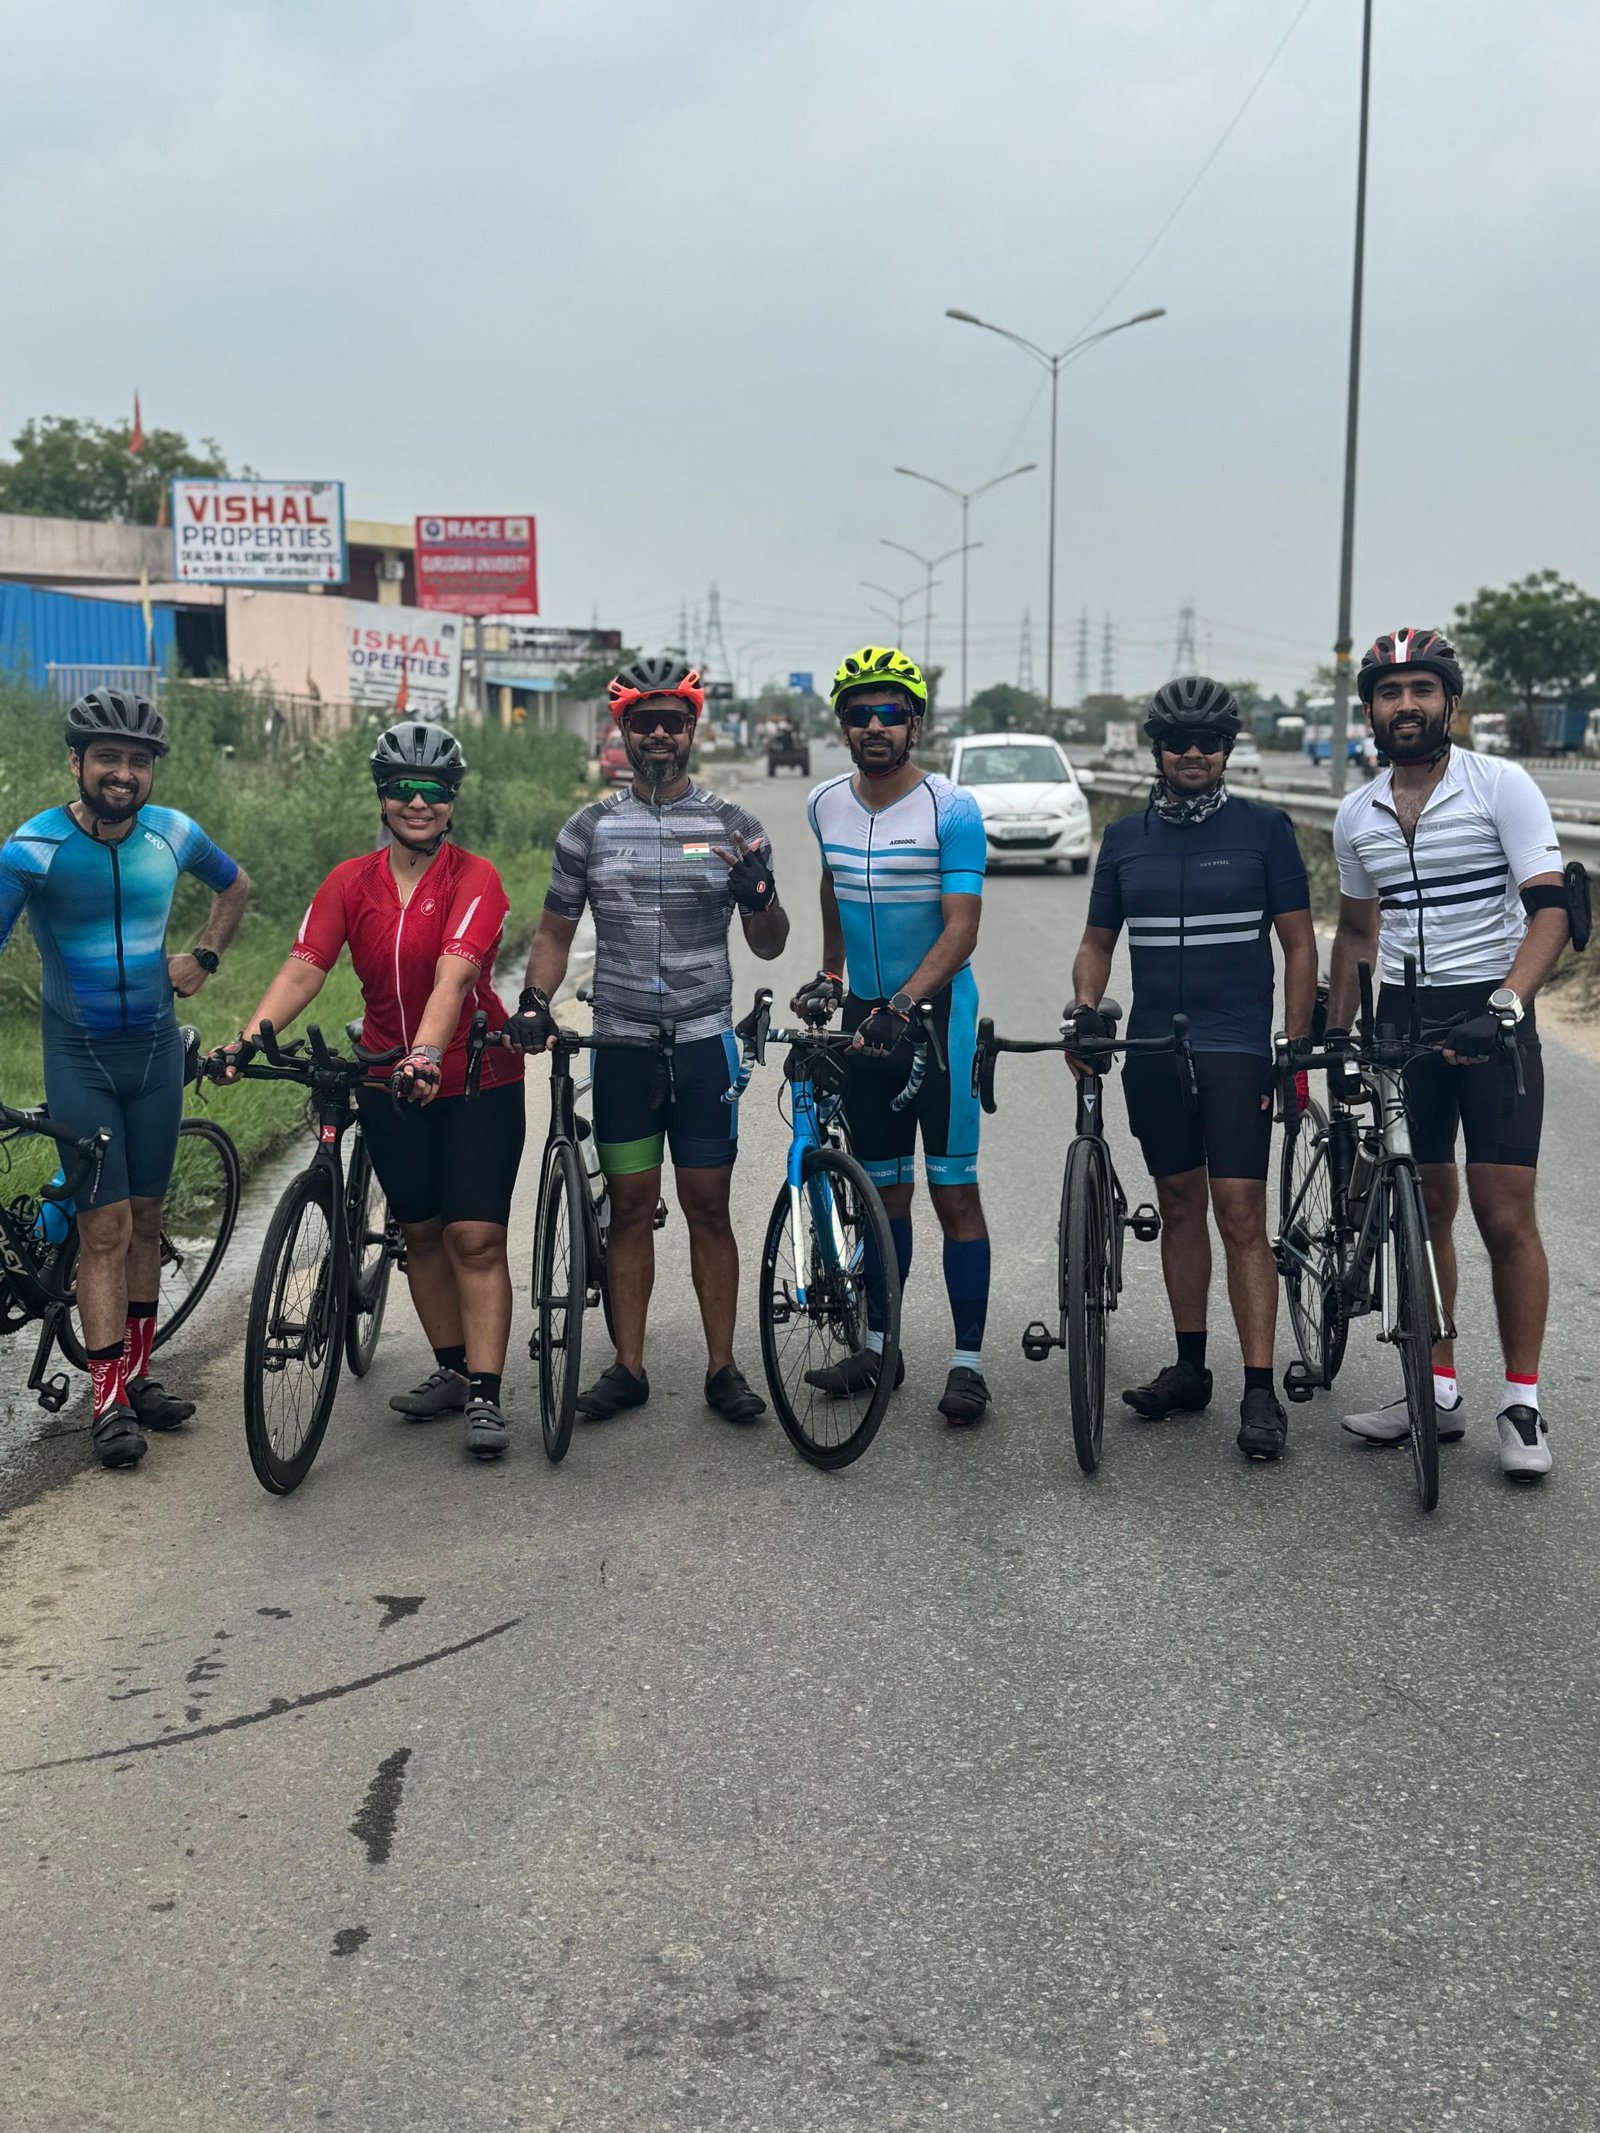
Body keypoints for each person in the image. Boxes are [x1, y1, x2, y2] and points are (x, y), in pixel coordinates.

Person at [211, 722, 525, 1460]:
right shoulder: (349, 881)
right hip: (387, 1076)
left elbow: (455, 975)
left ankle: (486, 1392)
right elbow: (304, 967)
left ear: (452, 802)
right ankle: (450, 1369)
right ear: (382, 796)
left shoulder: (475, 878)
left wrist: (426, 1052)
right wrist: (247, 1038)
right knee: (419, 1233)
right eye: (402, 789)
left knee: (473, 1237)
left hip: (475, 1077)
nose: (418, 802)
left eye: (435, 791)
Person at [512, 658, 788, 1425]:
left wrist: (759, 898)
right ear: (623, 731)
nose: (659, 733)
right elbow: (554, 931)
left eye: (673, 720)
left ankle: (722, 1366)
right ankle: (627, 1366)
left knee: (708, 1206)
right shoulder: (590, 828)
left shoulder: (734, 827)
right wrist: (535, 1001)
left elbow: (769, 943)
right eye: (644, 721)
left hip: (704, 1045)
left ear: (693, 729)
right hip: (623, 1045)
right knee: (631, 1206)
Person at [1330, 628, 1569, 1478]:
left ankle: (1522, 1403)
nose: (1406, 706)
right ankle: (1434, 1389)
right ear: (1369, 712)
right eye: (1389, 694)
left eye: (1421, 691)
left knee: (1504, 1215)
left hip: (1491, 1012)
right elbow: (1358, 930)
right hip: (1403, 1018)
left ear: (1450, 703)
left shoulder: (1501, 786)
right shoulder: (1356, 814)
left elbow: (1552, 911)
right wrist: (1335, 1026)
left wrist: (1505, 1004)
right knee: (1421, 1212)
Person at [0, 689, 250, 1469]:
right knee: (104, 1228)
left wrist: (202, 957)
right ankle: (106, 1399)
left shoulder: (173, 833)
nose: (123, 772)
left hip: (153, 1058)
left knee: (145, 1218)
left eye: (137, 760)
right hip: (80, 1059)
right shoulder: (30, 850)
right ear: (76, 762)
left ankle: (138, 1375)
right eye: (107, 757)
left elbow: (234, 886)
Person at [1069, 676, 1317, 1461]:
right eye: (1178, 741)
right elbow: (1098, 943)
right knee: (1178, 1205)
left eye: (1209, 741)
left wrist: (1294, 1043)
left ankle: (1258, 1389)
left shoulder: (1265, 830)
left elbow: (1300, 943)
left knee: (1239, 1211)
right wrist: (1085, 1005)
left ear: (1228, 748)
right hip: (1151, 1047)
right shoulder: (1125, 838)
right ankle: (1189, 1367)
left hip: (1237, 1044)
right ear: (1157, 748)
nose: (1193, 753)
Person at [792, 645, 993, 1425]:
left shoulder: (952, 808)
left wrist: (904, 1002)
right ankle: (882, 1347)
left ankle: (968, 1362)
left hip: (937, 1019)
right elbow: (832, 882)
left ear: (915, 723)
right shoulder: (825, 803)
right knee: (883, 1193)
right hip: (865, 1018)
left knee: (953, 1194)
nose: (873, 726)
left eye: (889, 713)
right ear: (841, 724)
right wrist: (834, 973)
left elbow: (963, 928)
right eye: (858, 713)